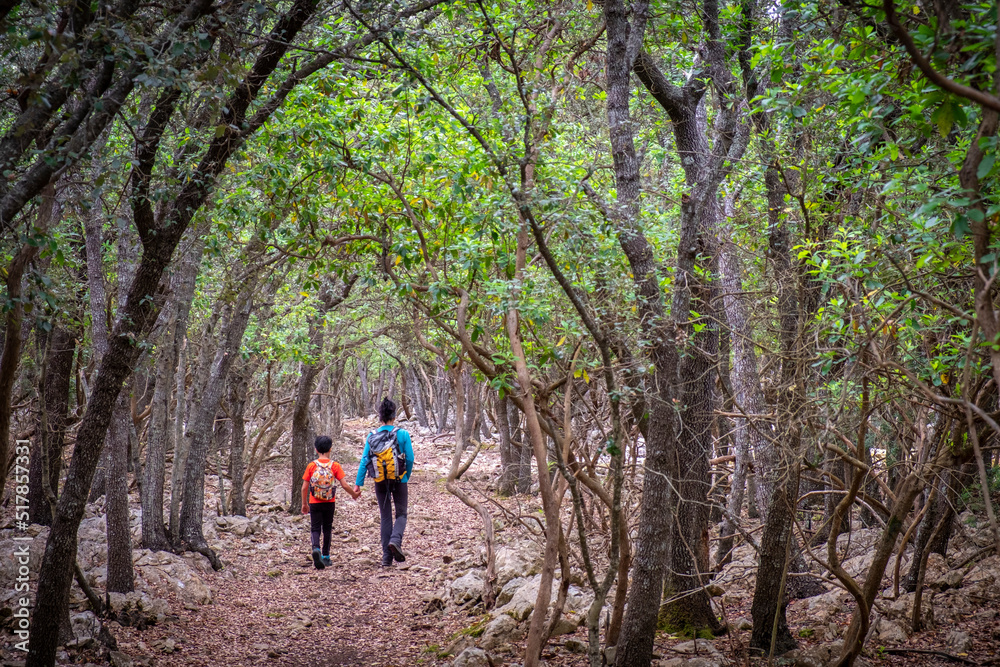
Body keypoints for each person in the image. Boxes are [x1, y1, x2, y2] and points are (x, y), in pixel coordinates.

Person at [354, 397, 414, 567]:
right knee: (401, 514)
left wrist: (358, 484)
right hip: (399, 478)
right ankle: (395, 540)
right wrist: (405, 475)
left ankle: (386, 558)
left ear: (379, 416)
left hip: (379, 479)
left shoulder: (372, 436)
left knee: (385, 515)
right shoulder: (402, 434)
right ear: (394, 415)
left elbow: (365, 460)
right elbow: (409, 458)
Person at [301, 435, 359, 570]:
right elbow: (344, 485)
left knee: (315, 528)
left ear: (316, 449)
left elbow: (304, 487)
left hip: (314, 502)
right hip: (329, 502)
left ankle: (316, 549)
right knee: (327, 528)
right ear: (330, 449)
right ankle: (326, 557)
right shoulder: (335, 466)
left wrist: (304, 504)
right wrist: (354, 494)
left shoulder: (311, 466)